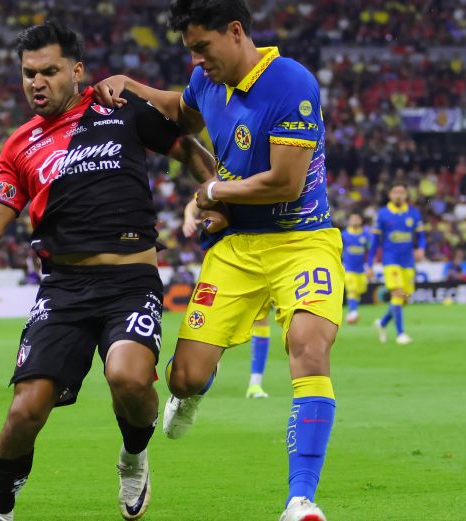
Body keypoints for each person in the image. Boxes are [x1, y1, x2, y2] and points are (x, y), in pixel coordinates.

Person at [0, 21, 215, 521]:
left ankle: (133, 457)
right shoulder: (18, 147)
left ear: (77, 70)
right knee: (25, 411)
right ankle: (0, 512)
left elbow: (189, 151)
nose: (36, 82)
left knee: (129, 380)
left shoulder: (119, 109)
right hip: (63, 289)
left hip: (130, 283)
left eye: (48, 71)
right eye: (28, 73)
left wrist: (217, 196)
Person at [93, 2, 343, 519]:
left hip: (302, 240)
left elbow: (285, 182)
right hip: (235, 251)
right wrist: (130, 86)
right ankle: (190, 395)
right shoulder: (206, 81)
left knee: (308, 346)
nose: (198, 59)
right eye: (190, 51)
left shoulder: (290, 83)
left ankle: (301, 498)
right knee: (183, 377)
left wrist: (209, 191)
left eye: (202, 48)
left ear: (235, 32)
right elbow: (178, 111)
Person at [183, 197, 270, 398]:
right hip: (222, 261)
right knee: (209, 325)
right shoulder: (225, 178)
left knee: (261, 318)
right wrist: (189, 217)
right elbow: (196, 200)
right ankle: (194, 383)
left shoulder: (254, 179)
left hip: (256, 258)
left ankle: (255, 383)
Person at [368, 184, 425, 345]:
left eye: (401, 192)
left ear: (406, 195)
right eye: (395, 192)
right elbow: (374, 241)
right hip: (390, 260)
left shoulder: (413, 213)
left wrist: (421, 248)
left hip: (408, 261)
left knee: (406, 297)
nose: (398, 195)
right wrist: (370, 262)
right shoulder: (383, 214)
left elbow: (421, 236)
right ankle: (400, 334)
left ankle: (383, 323)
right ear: (390, 195)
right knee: (398, 293)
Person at [341, 214, 370, 324]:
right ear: (349, 221)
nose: (355, 220)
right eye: (353, 219)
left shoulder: (366, 235)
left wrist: (369, 266)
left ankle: (352, 312)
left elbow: (370, 251)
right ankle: (353, 312)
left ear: (361, 220)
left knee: (359, 291)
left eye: (357, 218)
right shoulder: (344, 235)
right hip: (348, 268)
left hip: (361, 269)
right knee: (352, 291)